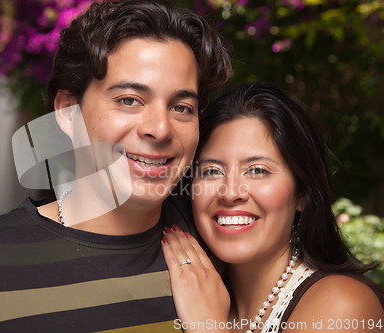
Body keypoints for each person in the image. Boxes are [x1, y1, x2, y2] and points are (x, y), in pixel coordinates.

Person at [0, 0, 232, 331]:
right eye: (129, 100)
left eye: (182, 107)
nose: (159, 128)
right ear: (67, 112)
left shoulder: (225, 246)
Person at [162, 82, 384, 333]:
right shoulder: (191, 296)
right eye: (212, 171)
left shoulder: (344, 305)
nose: (230, 192)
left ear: (301, 193)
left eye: (257, 170)